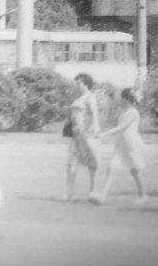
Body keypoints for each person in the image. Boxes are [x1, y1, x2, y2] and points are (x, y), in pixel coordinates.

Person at [91, 89, 148, 205]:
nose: (120, 100)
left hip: (131, 144)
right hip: (121, 143)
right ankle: (102, 197)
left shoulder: (133, 112)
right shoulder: (123, 112)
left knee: (135, 170)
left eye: (121, 98)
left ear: (126, 99)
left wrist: (104, 134)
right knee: (111, 167)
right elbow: (119, 127)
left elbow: (123, 127)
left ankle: (143, 196)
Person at [63, 73, 100, 202]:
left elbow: (94, 114)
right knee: (71, 163)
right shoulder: (79, 98)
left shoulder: (90, 97)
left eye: (79, 83)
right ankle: (70, 193)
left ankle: (93, 192)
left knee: (92, 164)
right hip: (76, 135)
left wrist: (95, 126)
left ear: (86, 84)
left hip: (87, 134)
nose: (77, 85)